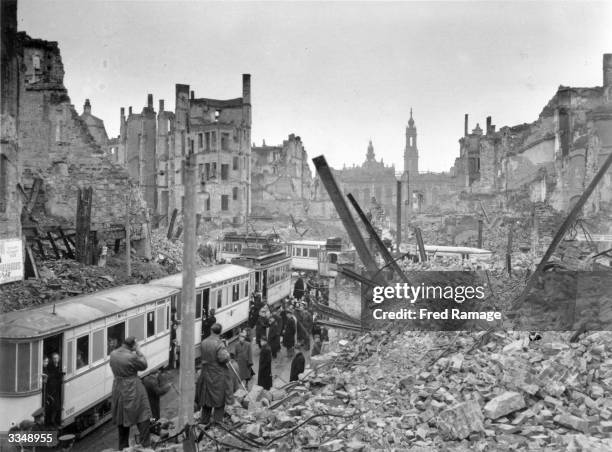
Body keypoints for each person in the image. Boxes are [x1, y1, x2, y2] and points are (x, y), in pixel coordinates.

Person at [110, 337, 152, 450]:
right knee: (143, 413)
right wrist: (138, 351)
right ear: (133, 345)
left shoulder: (113, 354)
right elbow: (144, 365)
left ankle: (123, 447)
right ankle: (146, 445)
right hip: (132, 387)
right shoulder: (132, 356)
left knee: (122, 417)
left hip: (118, 388)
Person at [195, 323, 230, 425]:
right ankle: (217, 423)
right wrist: (226, 350)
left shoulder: (204, 342)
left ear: (211, 331)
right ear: (220, 332)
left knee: (206, 400)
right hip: (217, 375)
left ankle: (204, 422)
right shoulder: (219, 344)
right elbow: (223, 358)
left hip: (205, 374)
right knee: (219, 400)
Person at [45, 353, 63, 427]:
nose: (55, 360)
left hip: (58, 388)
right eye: (54, 358)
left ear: (59, 359)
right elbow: (51, 376)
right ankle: (52, 421)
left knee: (57, 406)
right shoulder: (50, 367)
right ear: (52, 359)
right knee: (53, 406)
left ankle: (55, 420)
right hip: (52, 389)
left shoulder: (60, 365)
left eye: (56, 358)